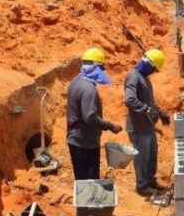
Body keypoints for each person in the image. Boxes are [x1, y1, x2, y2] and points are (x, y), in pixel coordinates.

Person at [66, 47, 122, 180]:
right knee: (90, 181)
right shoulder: (88, 89)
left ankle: (83, 200)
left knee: (81, 179)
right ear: (96, 68)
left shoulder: (75, 82)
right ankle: (88, 201)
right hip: (85, 143)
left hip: (76, 140)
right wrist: (110, 126)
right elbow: (90, 117)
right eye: (101, 69)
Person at [124, 48, 169, 195]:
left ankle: (150, 180)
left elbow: (149, 101)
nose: (154, 72)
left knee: (151, 155)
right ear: (148, 63)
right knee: (142, 157)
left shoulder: (144, 78)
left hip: (147, 125)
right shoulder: (133, 77)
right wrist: (146, 109)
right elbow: (129, 99)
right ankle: (142, 186)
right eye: (154, 68)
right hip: (138, 127)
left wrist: (160, 112)